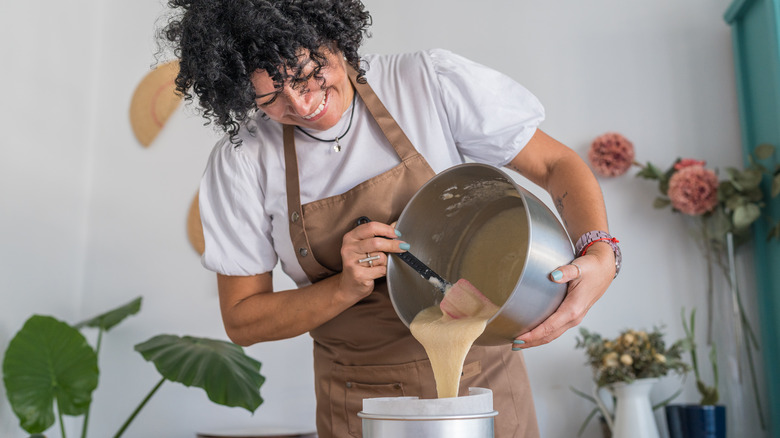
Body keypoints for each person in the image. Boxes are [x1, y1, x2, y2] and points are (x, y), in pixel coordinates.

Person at [160, 0, 620, 437]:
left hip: (483, 387)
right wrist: (342, 288)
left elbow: (556, 165)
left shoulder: (425, 83)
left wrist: (599, 249)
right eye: (270, 99)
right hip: (359, 406)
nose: (302, 107)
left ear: (331, 35)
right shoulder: (243, 161)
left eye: (306, 75)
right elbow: (244, 320)